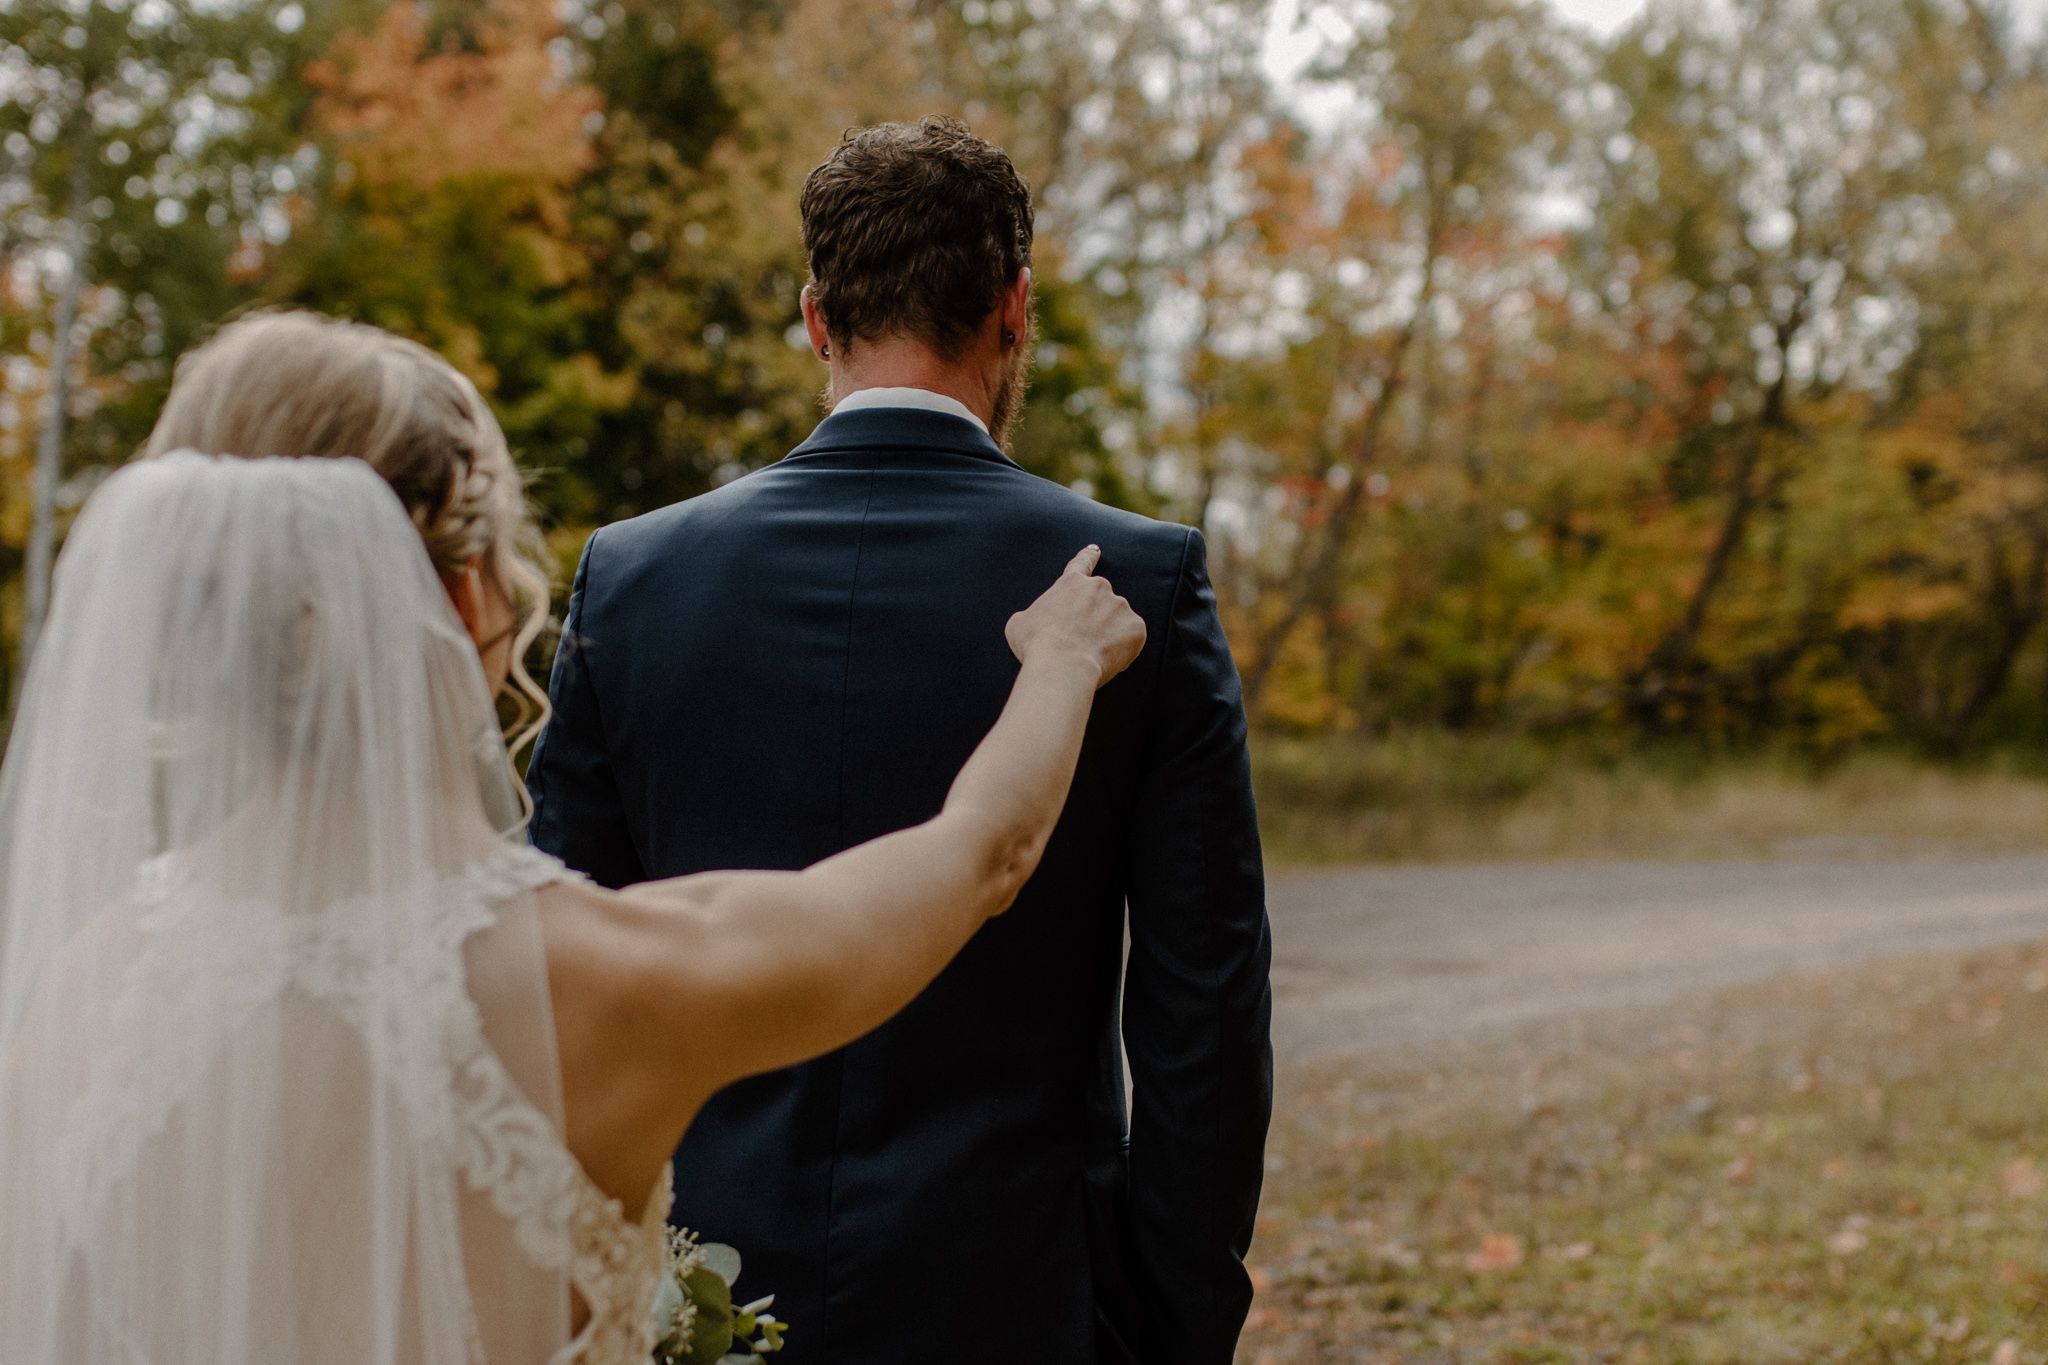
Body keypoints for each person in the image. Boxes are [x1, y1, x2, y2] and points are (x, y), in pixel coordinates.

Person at [0, 311, 1145, 1365]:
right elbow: (982, 852)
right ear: (460, 600)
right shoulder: (598, 982)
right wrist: (1058, 662)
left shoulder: (75, 993)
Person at [527, 116, 1274, 1365]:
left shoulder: (632, 580)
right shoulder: (1137, 584)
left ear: (816, 320)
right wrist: (1171, 1326)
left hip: (699, 1303)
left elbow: (555, 983)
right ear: (1014, 308)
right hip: (1028, 1302)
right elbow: (1203, 1010)